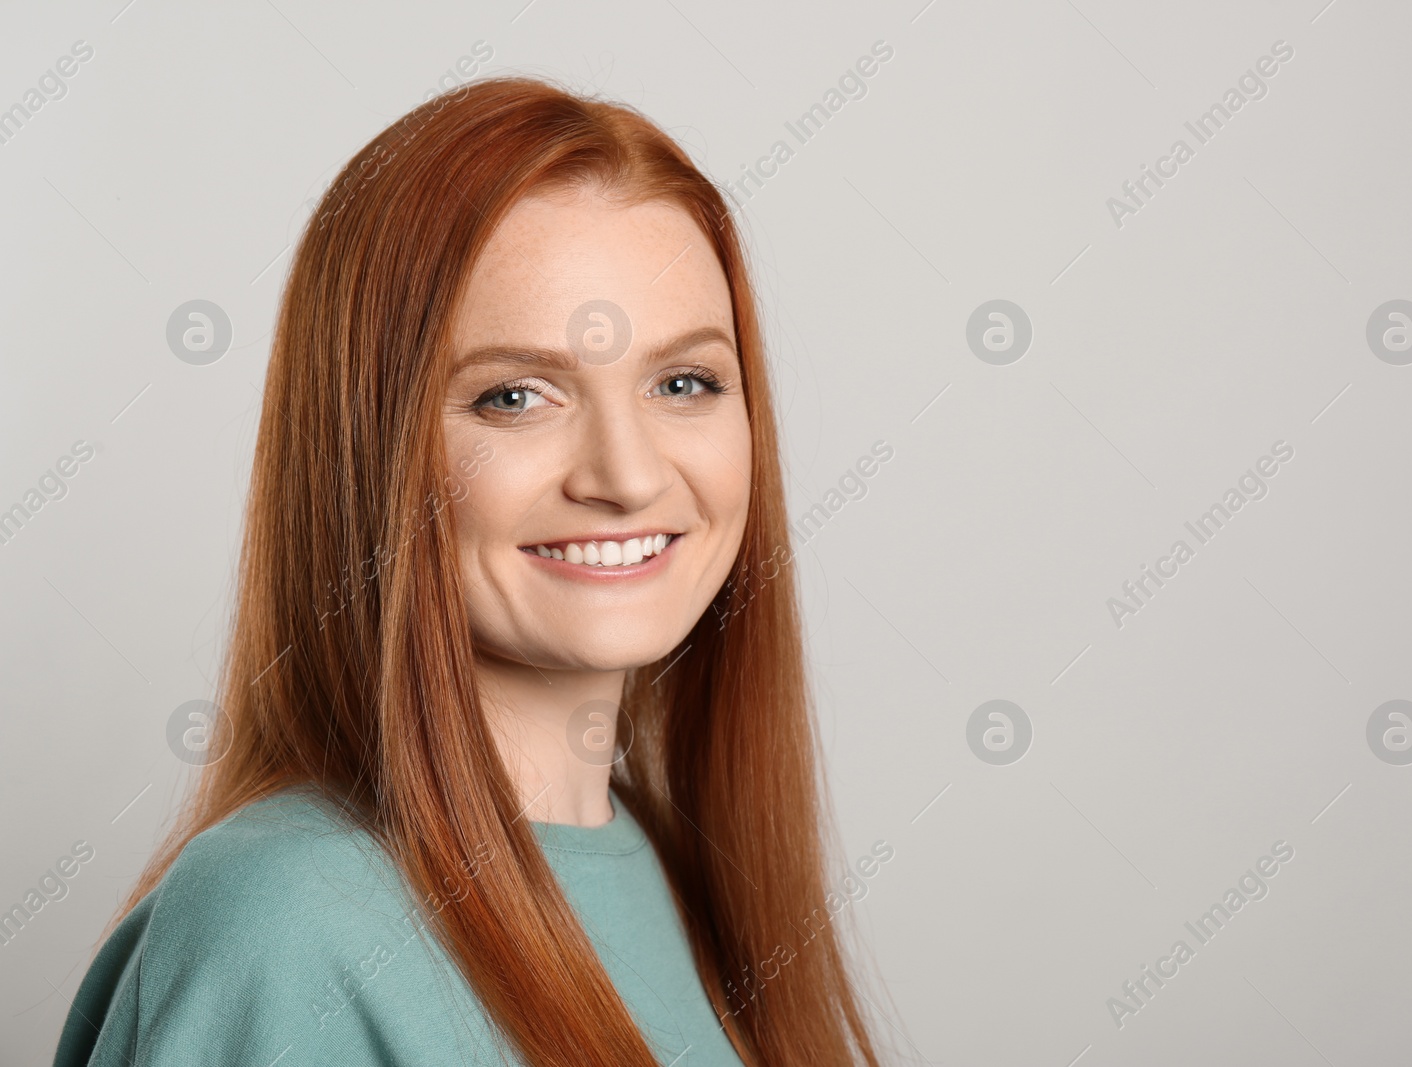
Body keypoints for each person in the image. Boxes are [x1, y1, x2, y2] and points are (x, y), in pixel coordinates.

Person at [52, 75, 884, 1067]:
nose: (626, 474)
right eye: (515, 396)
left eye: (683, 381)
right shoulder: (281, 926)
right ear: (370, 452)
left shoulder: (685, 875)